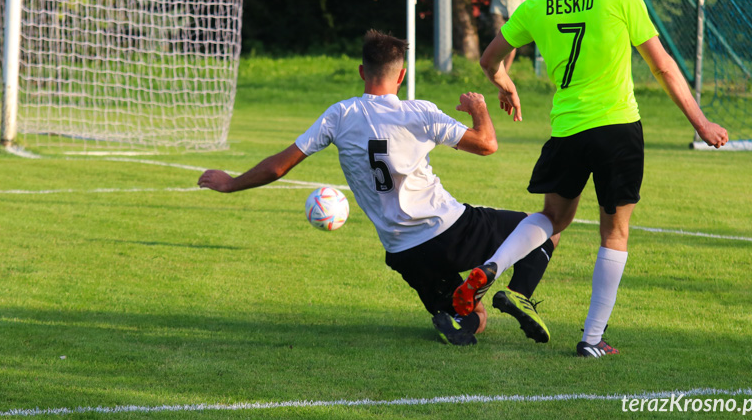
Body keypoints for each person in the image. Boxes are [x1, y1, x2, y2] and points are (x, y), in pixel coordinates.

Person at [454, 0, 728, 357]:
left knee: (552, 219)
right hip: (617, 127)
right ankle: (592, 339)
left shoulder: (534, 4)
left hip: (567, 130)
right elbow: (662, 65)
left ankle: (492, 266)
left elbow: (489, 60)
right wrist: (702, 122)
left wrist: (507, 85)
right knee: (614, 233)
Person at [199, 30, 559, 346]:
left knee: (475, 320)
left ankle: (464, 314)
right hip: (449, 230)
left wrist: (231, 183)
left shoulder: (339, 115)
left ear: (361, 72)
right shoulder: (420, 112)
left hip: (403, 252)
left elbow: (280, 165)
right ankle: (516, 292)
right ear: (401, 75)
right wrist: (478, 107)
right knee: (545, 228)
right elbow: (487, 144)